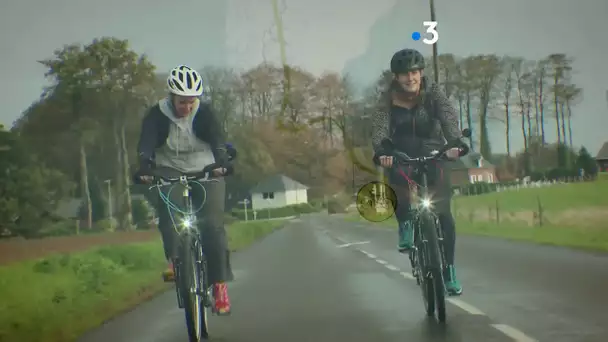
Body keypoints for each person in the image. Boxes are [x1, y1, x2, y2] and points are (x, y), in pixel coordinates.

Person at [134, 65, 234, 314]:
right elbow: (146, 144)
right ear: (171, 97)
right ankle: (176, 262)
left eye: (191, 102)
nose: (187, 108)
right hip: (169, 168)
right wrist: (145, 166)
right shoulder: (157, 115)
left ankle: (219, 285)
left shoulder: (205, 112)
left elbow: (218, 140)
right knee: (170, 217)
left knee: (211, 224)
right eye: (182, 102)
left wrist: (221, 162)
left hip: (205, 167)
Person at [371, 48, 465, 296]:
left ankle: (449, 270)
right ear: (396, 78)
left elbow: (448, 118)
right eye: (404, 74)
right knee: (397, 182)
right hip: (401, 152)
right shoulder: (387, 99)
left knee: (443, 213)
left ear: (421, 73)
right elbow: (380, 128)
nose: (410, 78)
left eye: (414, 73)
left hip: (435, 152)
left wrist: (456, 142)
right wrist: (382, 151)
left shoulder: (434, 93)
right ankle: (404, 224)